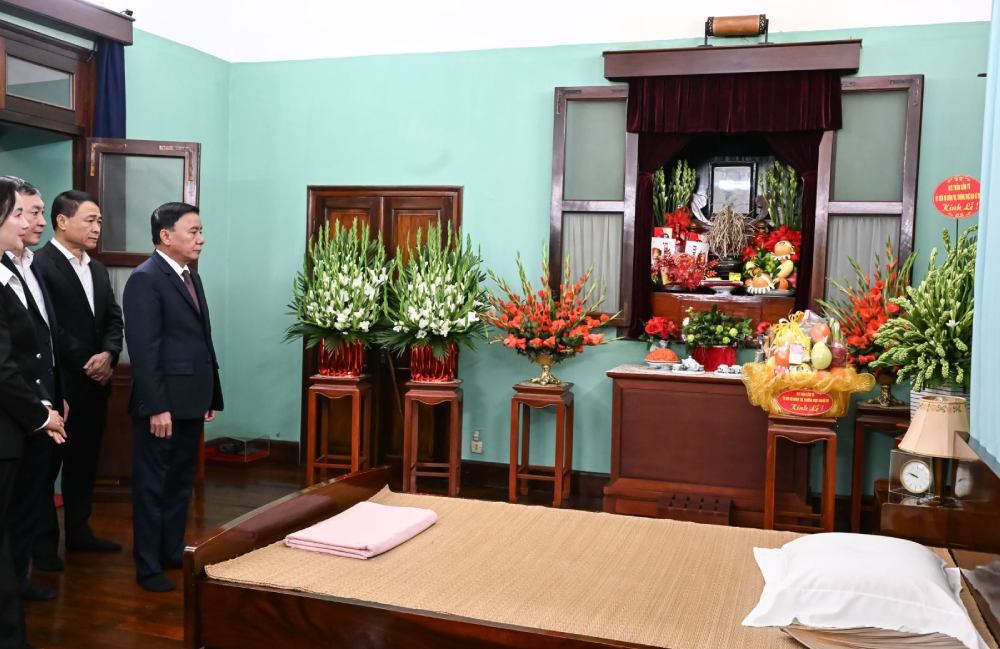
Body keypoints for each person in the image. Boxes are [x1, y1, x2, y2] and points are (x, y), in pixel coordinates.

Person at [124, 202, 222, 592]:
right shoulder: (146, 278)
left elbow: (201, 343)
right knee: (153, 486)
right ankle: (147, 566)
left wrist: (210, 394)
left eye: (201, 231)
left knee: (180, 482)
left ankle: (169, 552)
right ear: (166, 236)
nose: (201, 238)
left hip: (190, 399)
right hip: (162, 405)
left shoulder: (190, 278)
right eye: (193, 231)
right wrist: (157, 406)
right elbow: (145, 349)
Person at [32, 191, 123, 561]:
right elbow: (47, 326)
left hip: (95, 386)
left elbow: (113, 319)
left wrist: (109, 354)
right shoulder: (39, 264)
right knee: (46, 469)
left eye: (99, 221)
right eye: (90, 220)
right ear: (62, 221)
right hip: (60, 386)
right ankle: (43, 547)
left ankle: (80, 532)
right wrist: (89, 359)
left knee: (85, 464)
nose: (97, 227)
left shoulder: (97, 268)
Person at [0, 177, 67, 649]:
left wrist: (48, 400)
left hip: (27, 413)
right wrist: (40, 414)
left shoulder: (17, 267)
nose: (31, 223)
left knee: (20, 516)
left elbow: (37, 344)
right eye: (22, 214)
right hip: (13, 420)